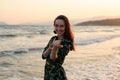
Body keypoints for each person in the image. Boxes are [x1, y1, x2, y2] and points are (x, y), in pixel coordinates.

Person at [42, 15, 75, 80]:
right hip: (47, 73)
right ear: (54, 26)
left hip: (56, 75)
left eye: (62, 26)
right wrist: (50, 47)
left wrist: (55, 48)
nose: (59, 29)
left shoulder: (66, 43)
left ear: (66, 27)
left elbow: (53, 59)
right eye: (56, 25)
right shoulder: (53, 38)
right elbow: (43, 56)